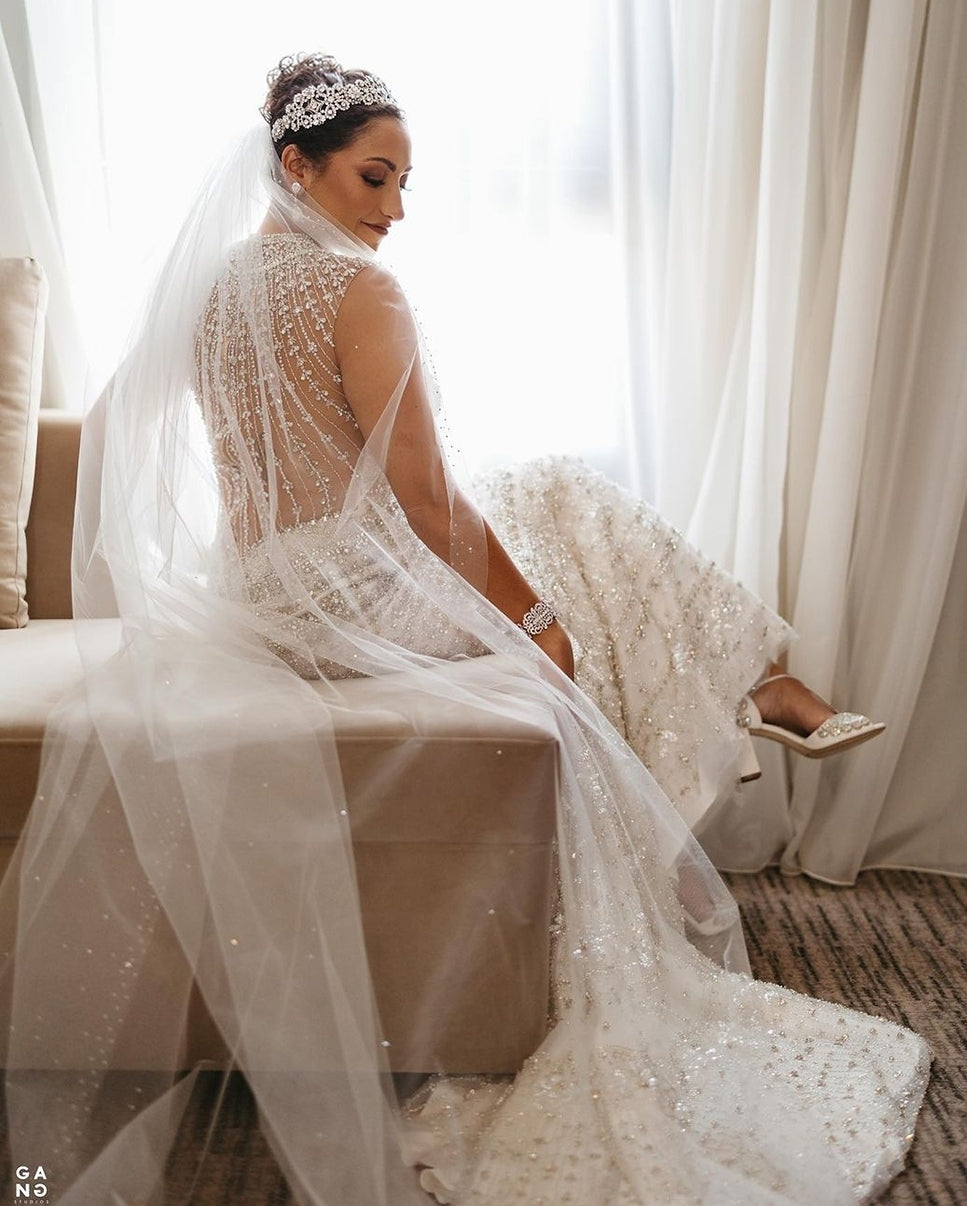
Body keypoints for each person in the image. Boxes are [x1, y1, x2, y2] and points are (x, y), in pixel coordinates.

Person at [0, 53, 925, 1205]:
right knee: (563, 539)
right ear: (297, 165)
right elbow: (425, 500)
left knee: (546, 499)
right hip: (349, 593)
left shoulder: (208, 287)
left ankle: (749, 699)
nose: (392, 210)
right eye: (373, 180)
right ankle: (744, 713)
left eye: (404, 185)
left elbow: (233, 469)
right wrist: (534, 622)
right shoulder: (357, 291)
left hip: (266, 594)